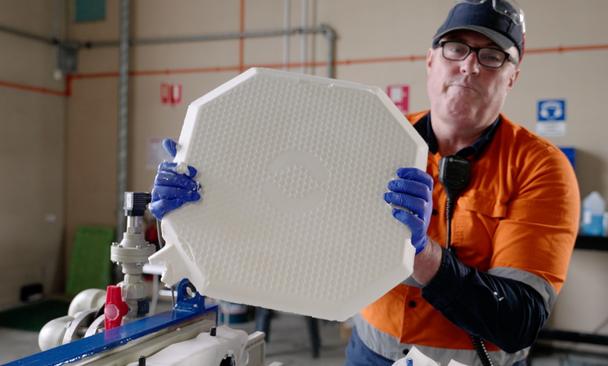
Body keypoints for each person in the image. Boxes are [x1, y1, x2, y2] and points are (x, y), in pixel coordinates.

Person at [150, 1, 580, 364]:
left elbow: (519, 320)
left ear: (512, 76)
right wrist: (206, 203)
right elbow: (295, 213)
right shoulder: (373, 136)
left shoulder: (541, 168)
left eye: (492, 56)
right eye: (457, 48)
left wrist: (423, 257)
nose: (469, 65)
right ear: (431, 61)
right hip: (371, 350)